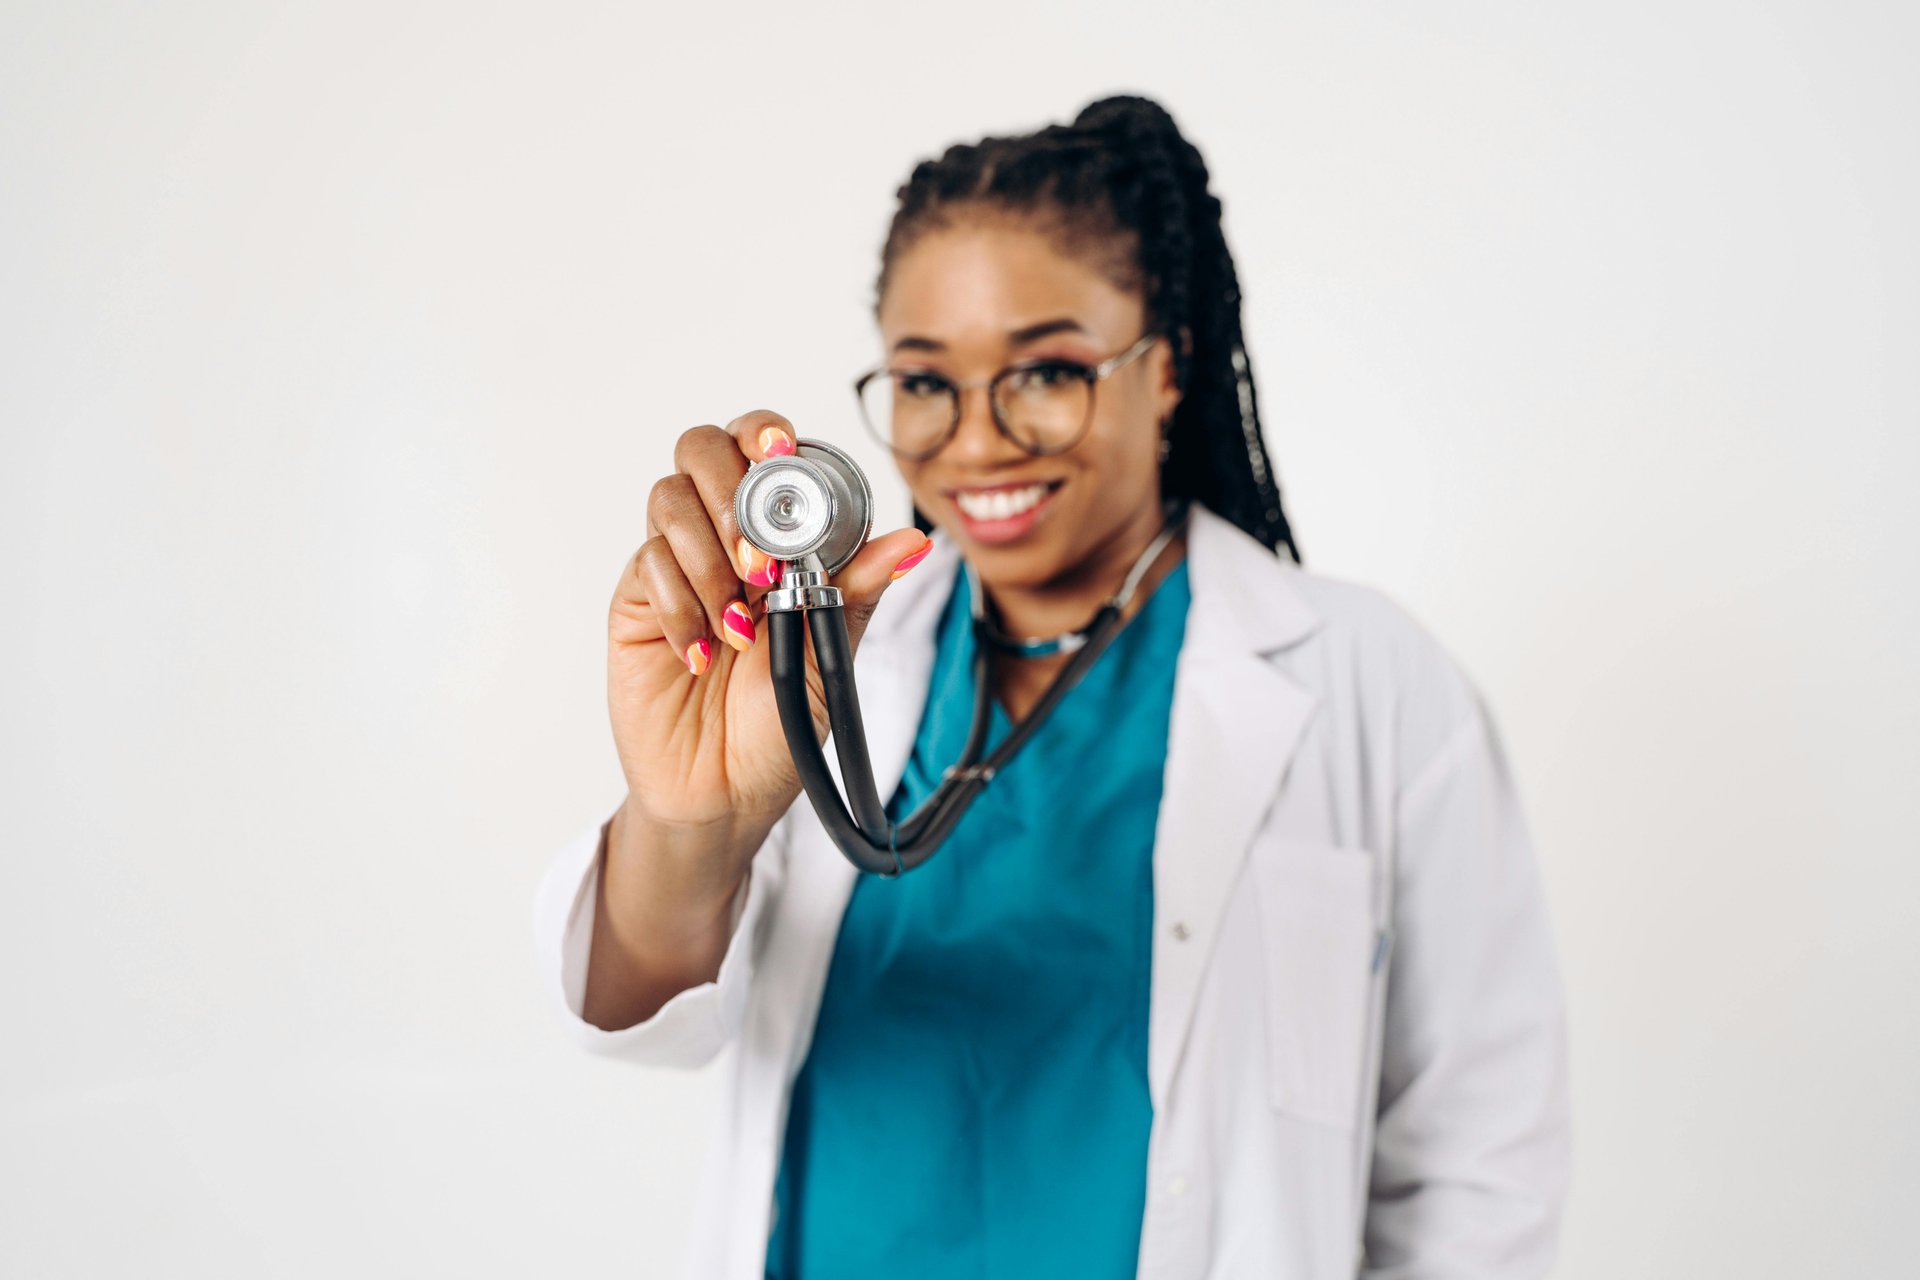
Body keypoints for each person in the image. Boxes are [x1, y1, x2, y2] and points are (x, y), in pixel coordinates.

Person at [531, 93, 1570, 1279]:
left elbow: (1481, 1164)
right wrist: (688, 821)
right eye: (925, 382)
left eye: (1047, 372)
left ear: (1168, 369)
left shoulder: (1367, 681)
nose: (977, 441)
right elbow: (631, 1010)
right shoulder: (821, 659)